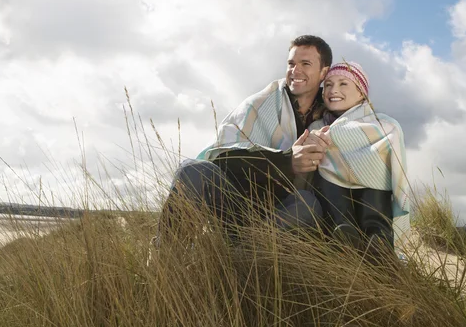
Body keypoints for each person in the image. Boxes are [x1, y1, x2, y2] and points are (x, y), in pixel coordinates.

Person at [155, 35, 334, 243]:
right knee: (193, 170)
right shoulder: (261, 103)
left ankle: (242, 253)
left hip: (281, 211)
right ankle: (164, 258)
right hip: (238, 202)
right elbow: (222, 158)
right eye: (291, 64)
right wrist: (288, 161)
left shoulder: (332, 110)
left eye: (306, 64)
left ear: (324, 72)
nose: (296, 71)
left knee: (307, 205)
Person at [299, 61, 410, 256]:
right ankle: (343, 235)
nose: (334, 90)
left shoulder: (382, 124)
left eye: (343, 84)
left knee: (375, 220)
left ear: (361, 93)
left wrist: (338, 138)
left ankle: (379, 242)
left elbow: (394, 155)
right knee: (339, 219)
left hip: (373, 192)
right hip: (333, 190)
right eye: (329, 85)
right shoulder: (317, 126)